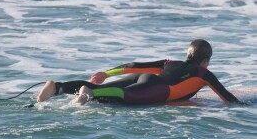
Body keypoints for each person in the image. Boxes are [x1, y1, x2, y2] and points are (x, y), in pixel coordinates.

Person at [37, 39, 241, 105]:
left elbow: (136, 65)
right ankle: (91, 93)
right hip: (159, 88)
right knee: (126, 96)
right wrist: (245, 106)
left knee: (109, 89)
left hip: (146, 78)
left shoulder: (171, 62)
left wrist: (107, 74)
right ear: (205, 60)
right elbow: (228, 98)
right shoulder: (203, 73)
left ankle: (57, 88)